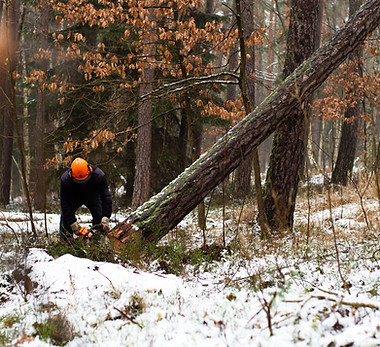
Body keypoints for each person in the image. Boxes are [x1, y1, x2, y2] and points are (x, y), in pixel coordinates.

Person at [60, 157, 112, 241]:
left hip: (93, 196)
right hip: (74, 197)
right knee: (65, 220)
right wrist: (72, 223)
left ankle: (98, 240)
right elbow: (65, 204)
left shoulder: (99, 175)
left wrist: (105, 216)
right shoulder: (65, 180)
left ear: (90, 171)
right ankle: (66, 241)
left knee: (99, 215)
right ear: (71, 175)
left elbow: (106, 197)